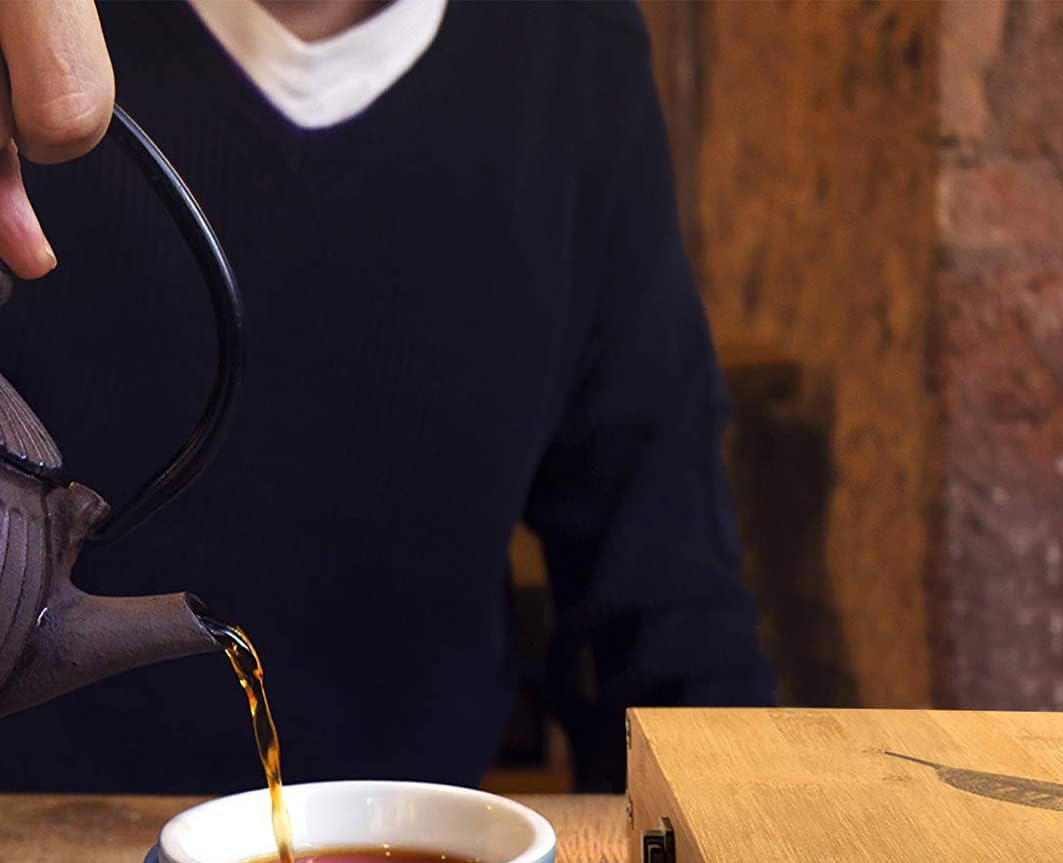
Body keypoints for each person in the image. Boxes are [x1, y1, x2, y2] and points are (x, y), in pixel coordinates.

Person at [0, 0, 774, 794]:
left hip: (410, 847)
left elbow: (666, 585)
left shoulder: (573, 49)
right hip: (30, 839)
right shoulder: (27, 49)